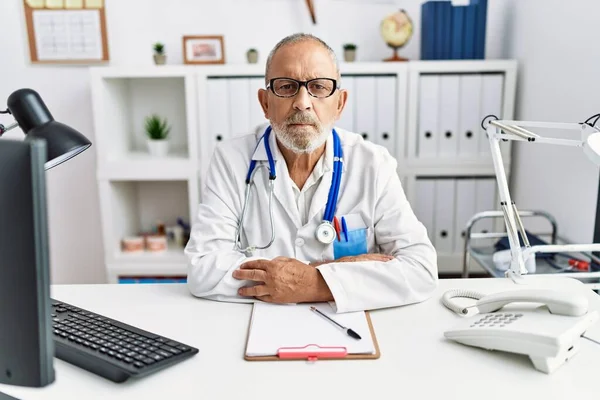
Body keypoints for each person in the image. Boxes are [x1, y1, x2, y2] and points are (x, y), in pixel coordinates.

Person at [185, 33, 438, 313]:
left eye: (318, 87)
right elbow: (203, 268)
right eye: (286, 86)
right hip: (261, 321)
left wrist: (313, 282)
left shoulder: (373, 163)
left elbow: (421, 269)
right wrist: (338, 274)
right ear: (265, 103)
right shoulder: (231, 159)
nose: (302, 102)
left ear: (339, 103)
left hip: (348, 327)